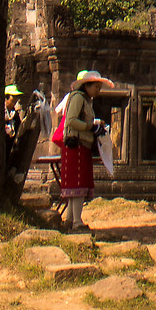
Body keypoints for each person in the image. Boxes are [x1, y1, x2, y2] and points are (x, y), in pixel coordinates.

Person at [56, 70, 111, 232]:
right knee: (77, 183)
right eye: (96, 87)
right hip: (76, 144)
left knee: (76, 184)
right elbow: (71, 120)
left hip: (81, 145)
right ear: (86, 85)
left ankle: (71, 219)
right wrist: (90, 126)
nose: (98, 91)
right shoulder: (78, 98)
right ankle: (76, 221)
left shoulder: (84, 100)